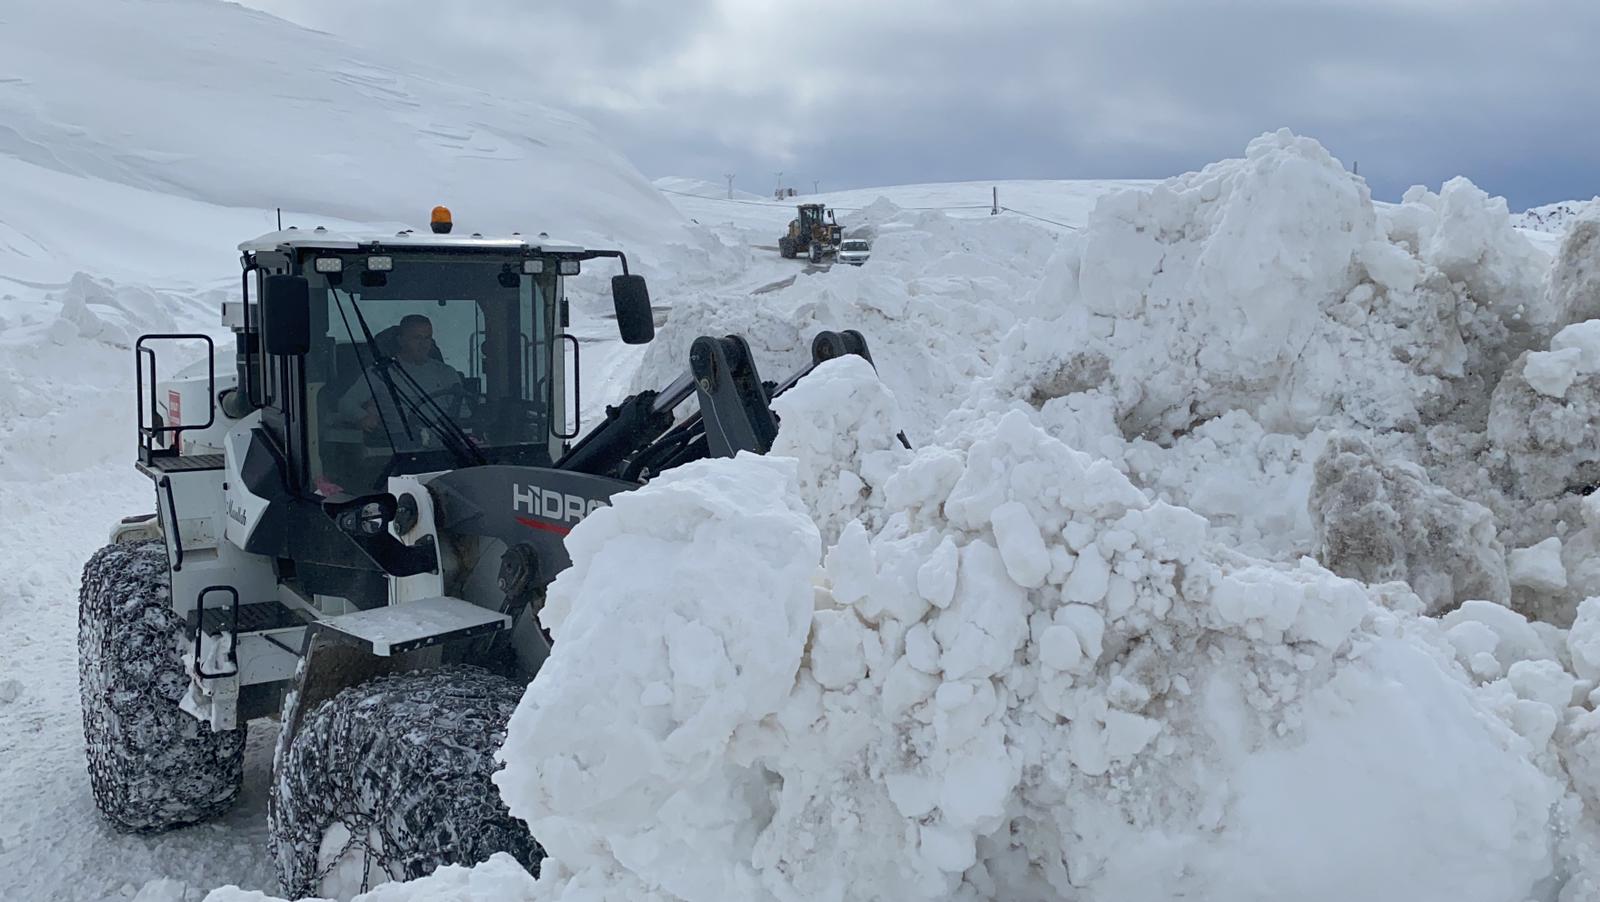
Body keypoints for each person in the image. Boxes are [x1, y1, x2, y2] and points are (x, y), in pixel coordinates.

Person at [337, 314, 464, 433]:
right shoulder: (381, 372)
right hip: (398, 442)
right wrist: (363, 417)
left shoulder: (447, 372)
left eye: (427, 338)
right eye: (417, 338)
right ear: (401, 341)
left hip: (446, 440)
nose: (423, 344)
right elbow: (346, 403)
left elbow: (463, 413)